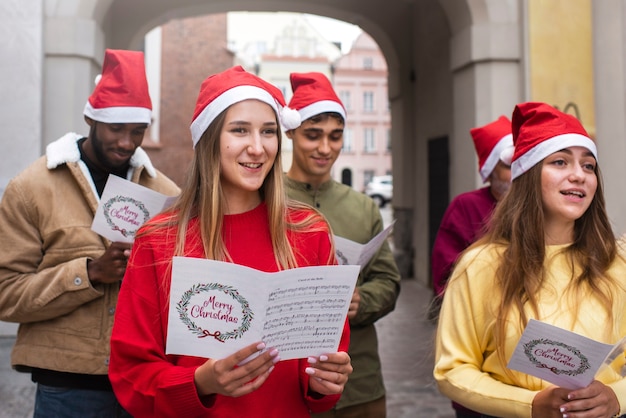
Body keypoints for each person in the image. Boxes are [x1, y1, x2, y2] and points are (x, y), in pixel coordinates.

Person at [108, 65, 353, 418]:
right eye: (240, 130)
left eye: (268, 132)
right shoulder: (158, 240)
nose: (257, 148)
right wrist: (201, 382)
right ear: (209, 140)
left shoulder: (309, 232)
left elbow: (323, 366)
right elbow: (130, 374)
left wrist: (325, 381)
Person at [0, 49, 180, 417]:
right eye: (116, 129)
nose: (127, 143)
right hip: (66, 387)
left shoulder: (166, 195)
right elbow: (5, 295)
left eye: (138, 131)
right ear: (90, 119)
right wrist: (90, 273)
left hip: (142, 384)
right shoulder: (31, 188)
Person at [434, 101, 626, 418]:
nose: (579, 175)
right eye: (561, 162)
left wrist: (616, 397)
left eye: (588, 166)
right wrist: (531, 405)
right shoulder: (480, 265)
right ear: (528, 175)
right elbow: (452, 369)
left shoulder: (616, 262)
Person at [284, 71, 401, 418]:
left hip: (359, 380)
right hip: (288, 380)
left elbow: (389, 282)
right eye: (313, 136)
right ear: (291, 132)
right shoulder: (266, 199)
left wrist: (361, 301)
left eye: (335, 137)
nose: (325, 148)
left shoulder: (363, 207)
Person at [429, 115, 512, 322]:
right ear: (491, 171)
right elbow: (446, 273)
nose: (518, 173)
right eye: (508, 166)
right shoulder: (465, 206)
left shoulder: (540, 205)